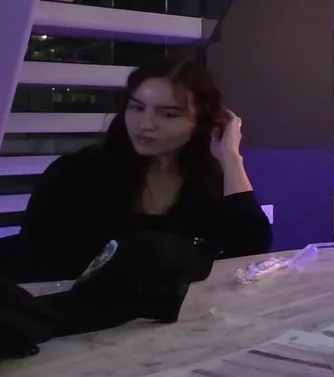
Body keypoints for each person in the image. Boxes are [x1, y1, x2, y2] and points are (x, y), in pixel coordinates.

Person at [0, 59, 272, 283]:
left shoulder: (207, 180)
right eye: (137, 108)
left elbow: (251, 249)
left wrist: (230, 158)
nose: (145, 124)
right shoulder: (75, 173)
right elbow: (35, 261)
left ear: (201, 121)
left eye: (168, 114)